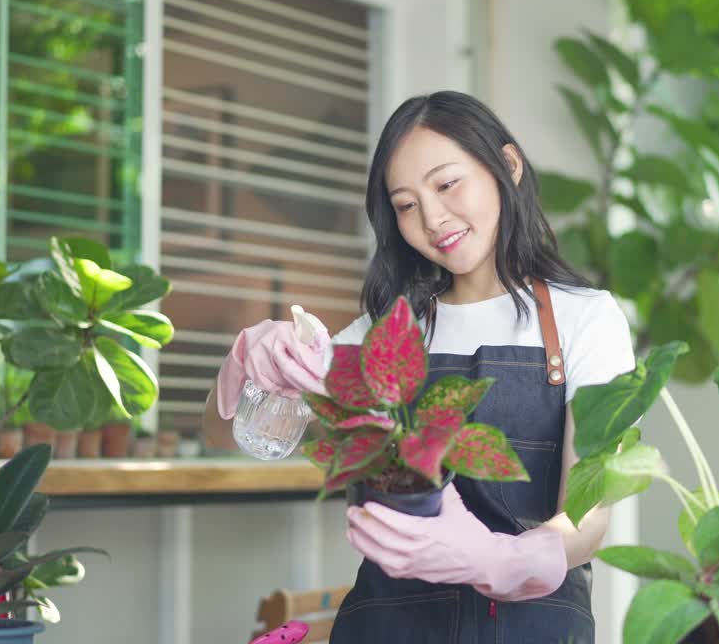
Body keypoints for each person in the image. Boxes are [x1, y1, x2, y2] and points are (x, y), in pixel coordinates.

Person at [204, 91, 635, 643]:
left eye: (446, 184)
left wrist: (500, 559)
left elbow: (588, 515)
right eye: (406, 204)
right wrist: (250, 368)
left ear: (508, 165)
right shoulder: (386, 336)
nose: (432, 218)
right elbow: (225, 436)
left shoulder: (585, 320)